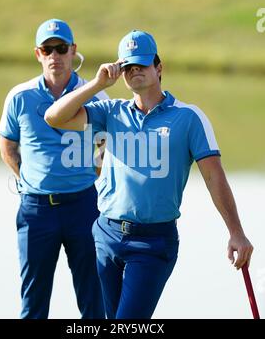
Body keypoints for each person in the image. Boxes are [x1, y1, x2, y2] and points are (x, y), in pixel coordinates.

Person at [44, 30, 254, 319]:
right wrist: (97, 83)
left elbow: (213, 178)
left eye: (141, 65)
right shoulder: (110, 112)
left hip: (153, 242)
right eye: (128, 67)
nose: (135, 72)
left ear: (159, 68)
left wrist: (236, 233)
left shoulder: (188, 117)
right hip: (106, 234)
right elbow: (54, 117)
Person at [0, 18, 108, 319]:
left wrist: (90, 173)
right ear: (38, 54)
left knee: (93, 301)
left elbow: (106, 146)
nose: (55, 56)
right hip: (36, 210)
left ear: (73, 51)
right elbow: (8, 145)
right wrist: (29, 179)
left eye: (61, 49)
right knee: (33, 304)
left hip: (83, 207)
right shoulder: (20, 97)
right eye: (48, 50)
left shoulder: (96, 95)